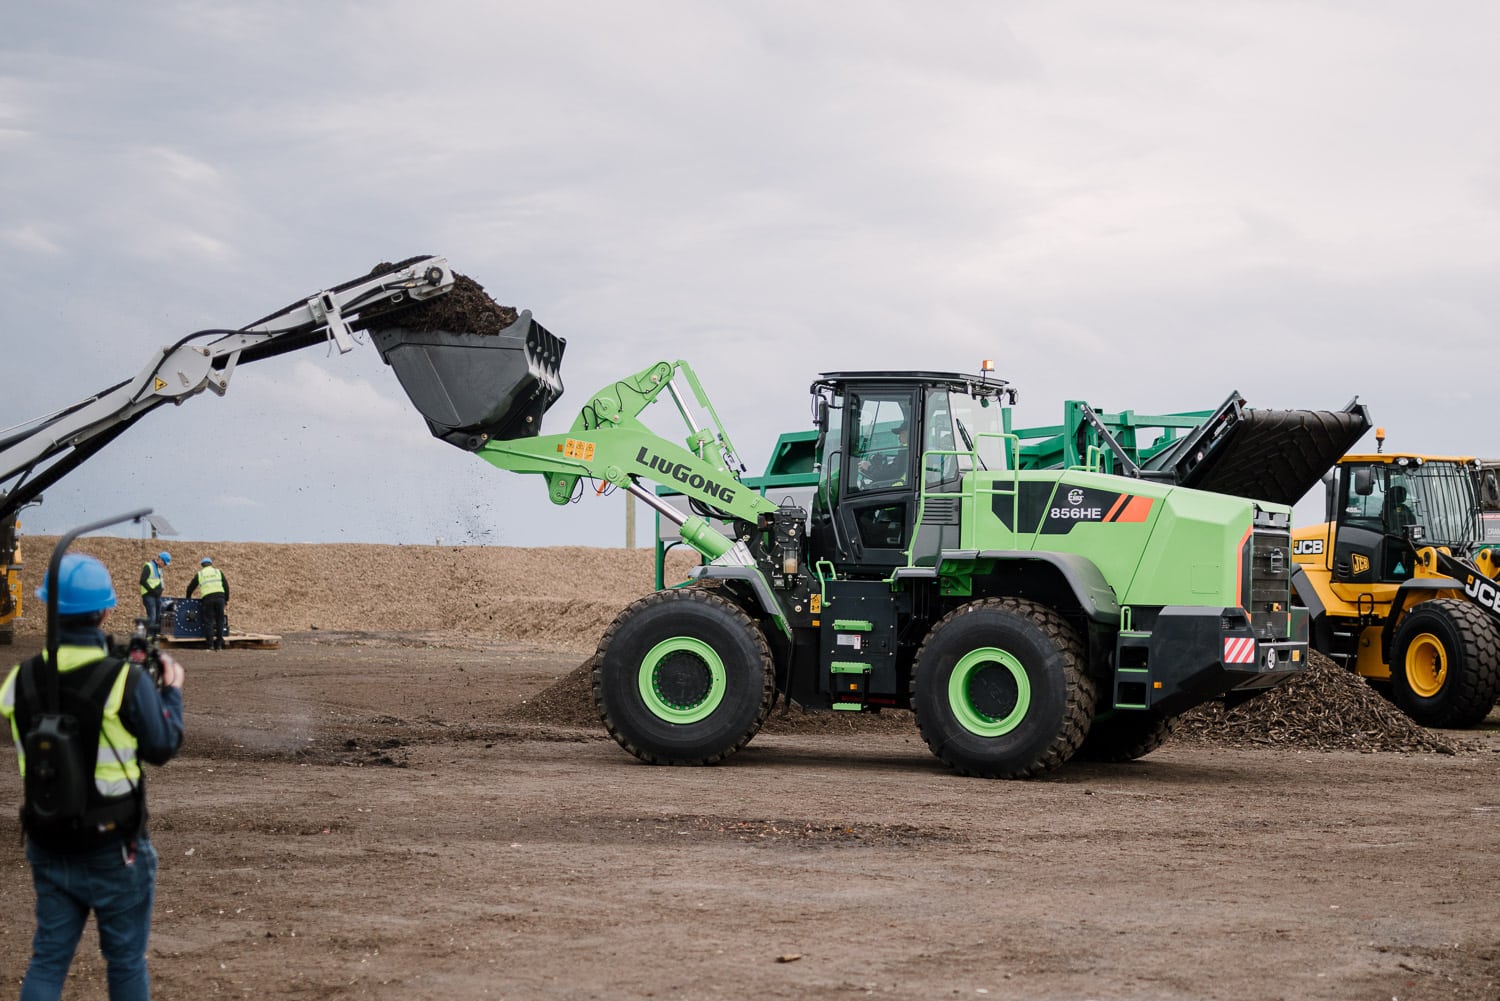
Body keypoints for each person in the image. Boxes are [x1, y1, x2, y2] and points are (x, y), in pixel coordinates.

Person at [0, 552, 185, 1000]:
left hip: (48, 841)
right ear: (104, 611)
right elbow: (162, 745)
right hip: (114, 845)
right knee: (124, 962)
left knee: (47, 959)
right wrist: (172, 693)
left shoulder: (17, 681)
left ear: (48, 606)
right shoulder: (126, 681)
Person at [185, 557, 228, 651]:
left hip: (208, 599)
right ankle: (219, 645)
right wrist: (226, 599)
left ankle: (210, 645)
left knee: (209, 622)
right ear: (211, 564)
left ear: (202, 565)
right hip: (220, 598)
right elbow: (226, 585)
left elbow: (191, 587)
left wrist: (188, 598)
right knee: (220, 621)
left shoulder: (200, 574)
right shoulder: (218, 572)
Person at [138, 551, 170, 633]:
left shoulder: (160, 569)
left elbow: (160, 581)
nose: (165, 565)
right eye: (165, 563)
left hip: (156, 596)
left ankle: (155, 636)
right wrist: (152, 591)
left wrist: (160, 590)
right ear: (160, 560)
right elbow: (142, 581)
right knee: (152, 616)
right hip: (148, 595)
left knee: (158, 616)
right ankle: (149, 637)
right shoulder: (149, 566)